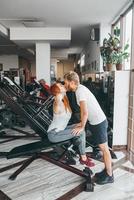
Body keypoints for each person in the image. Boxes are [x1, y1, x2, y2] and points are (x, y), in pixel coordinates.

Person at [64, 71, 114, 185]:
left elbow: (85, 112)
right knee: (103, 149)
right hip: (96, 121)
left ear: (72, 82)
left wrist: (82, 126)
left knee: (104, 150)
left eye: (66, 83)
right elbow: (84, 113)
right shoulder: (79, 89)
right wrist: (81, 123)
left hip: (98, 122)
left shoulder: (80, 91)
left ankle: (110, 175)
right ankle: (107, 171)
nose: (65, 85)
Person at [47, 82, 95, 167]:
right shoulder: (57, 102)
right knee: (80, 132)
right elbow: (57, 100)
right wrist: (58, 94)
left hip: (60, 130)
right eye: (60, 86)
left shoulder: (64, 101)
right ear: (57, 91)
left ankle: (81, 153)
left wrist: (82, 122)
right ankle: (83, 158)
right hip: (54, 134)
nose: (63, 85)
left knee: (80, 127)